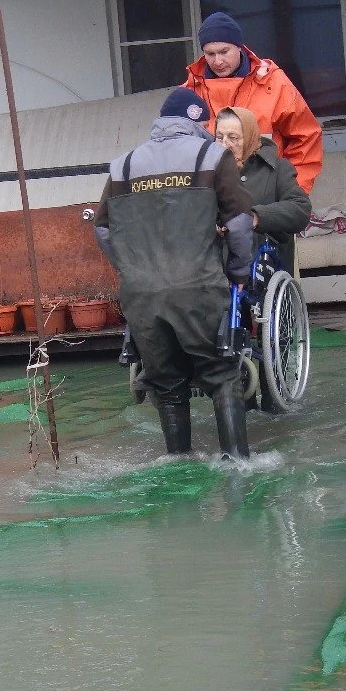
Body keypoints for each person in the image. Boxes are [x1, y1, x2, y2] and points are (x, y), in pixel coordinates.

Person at [92, 87, 255, 459]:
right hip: (198, 286)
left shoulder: (124, 165)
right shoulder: (211, 156)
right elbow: (241, 222)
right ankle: (237, 465)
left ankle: (178, 462)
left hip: (141, 295)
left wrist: (130, 268)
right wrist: (238, 270)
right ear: (198, 121)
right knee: (221, 373)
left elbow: (102, 228)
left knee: (166, 384)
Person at [183, 11, 324, 194]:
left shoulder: (274, 83)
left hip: (267, 196)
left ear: (239, 47)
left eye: (224, 52)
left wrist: (292, 191)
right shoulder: (190, 92)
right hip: (209, 198)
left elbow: (306, 137)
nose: (218, 61)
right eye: (210, 54)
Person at [213, 105, 311, 277]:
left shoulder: (277, 169)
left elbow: (300, 209)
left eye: (233, 138)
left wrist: (256, 217)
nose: (225, 144)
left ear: (249, 137)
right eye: (219, 137)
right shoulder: (208, 172)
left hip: (263, 265)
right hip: (215, 267)